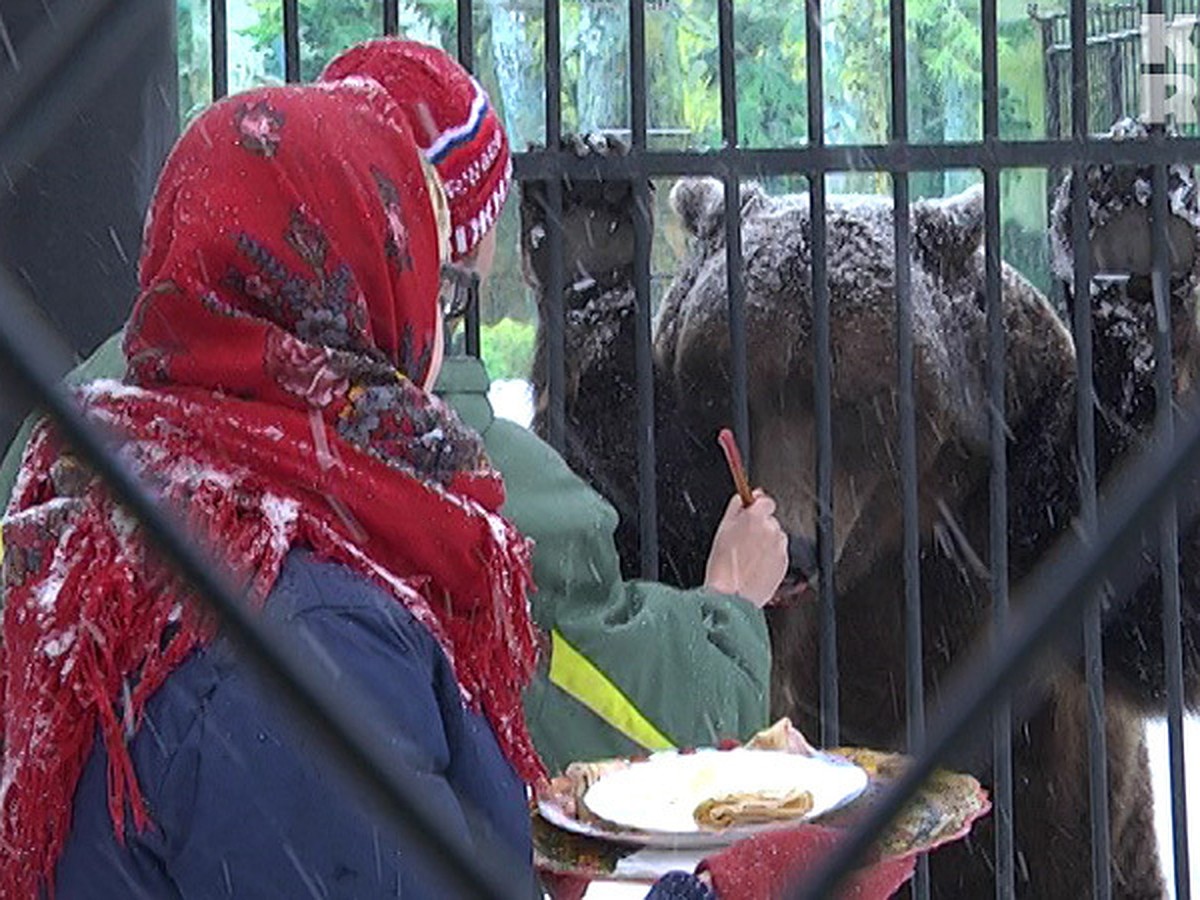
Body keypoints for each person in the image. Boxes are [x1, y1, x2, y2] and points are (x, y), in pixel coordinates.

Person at [0, 38, 786, 775]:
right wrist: (730, 605)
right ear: (403, 252)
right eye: (453, 289)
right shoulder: (455, 474)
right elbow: (640, 728)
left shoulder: (79, 415)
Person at [0, 80, 545, 898]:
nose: (433, 318)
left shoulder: (110, 500)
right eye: (429, 279)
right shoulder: (308, 634)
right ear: (363, 292)